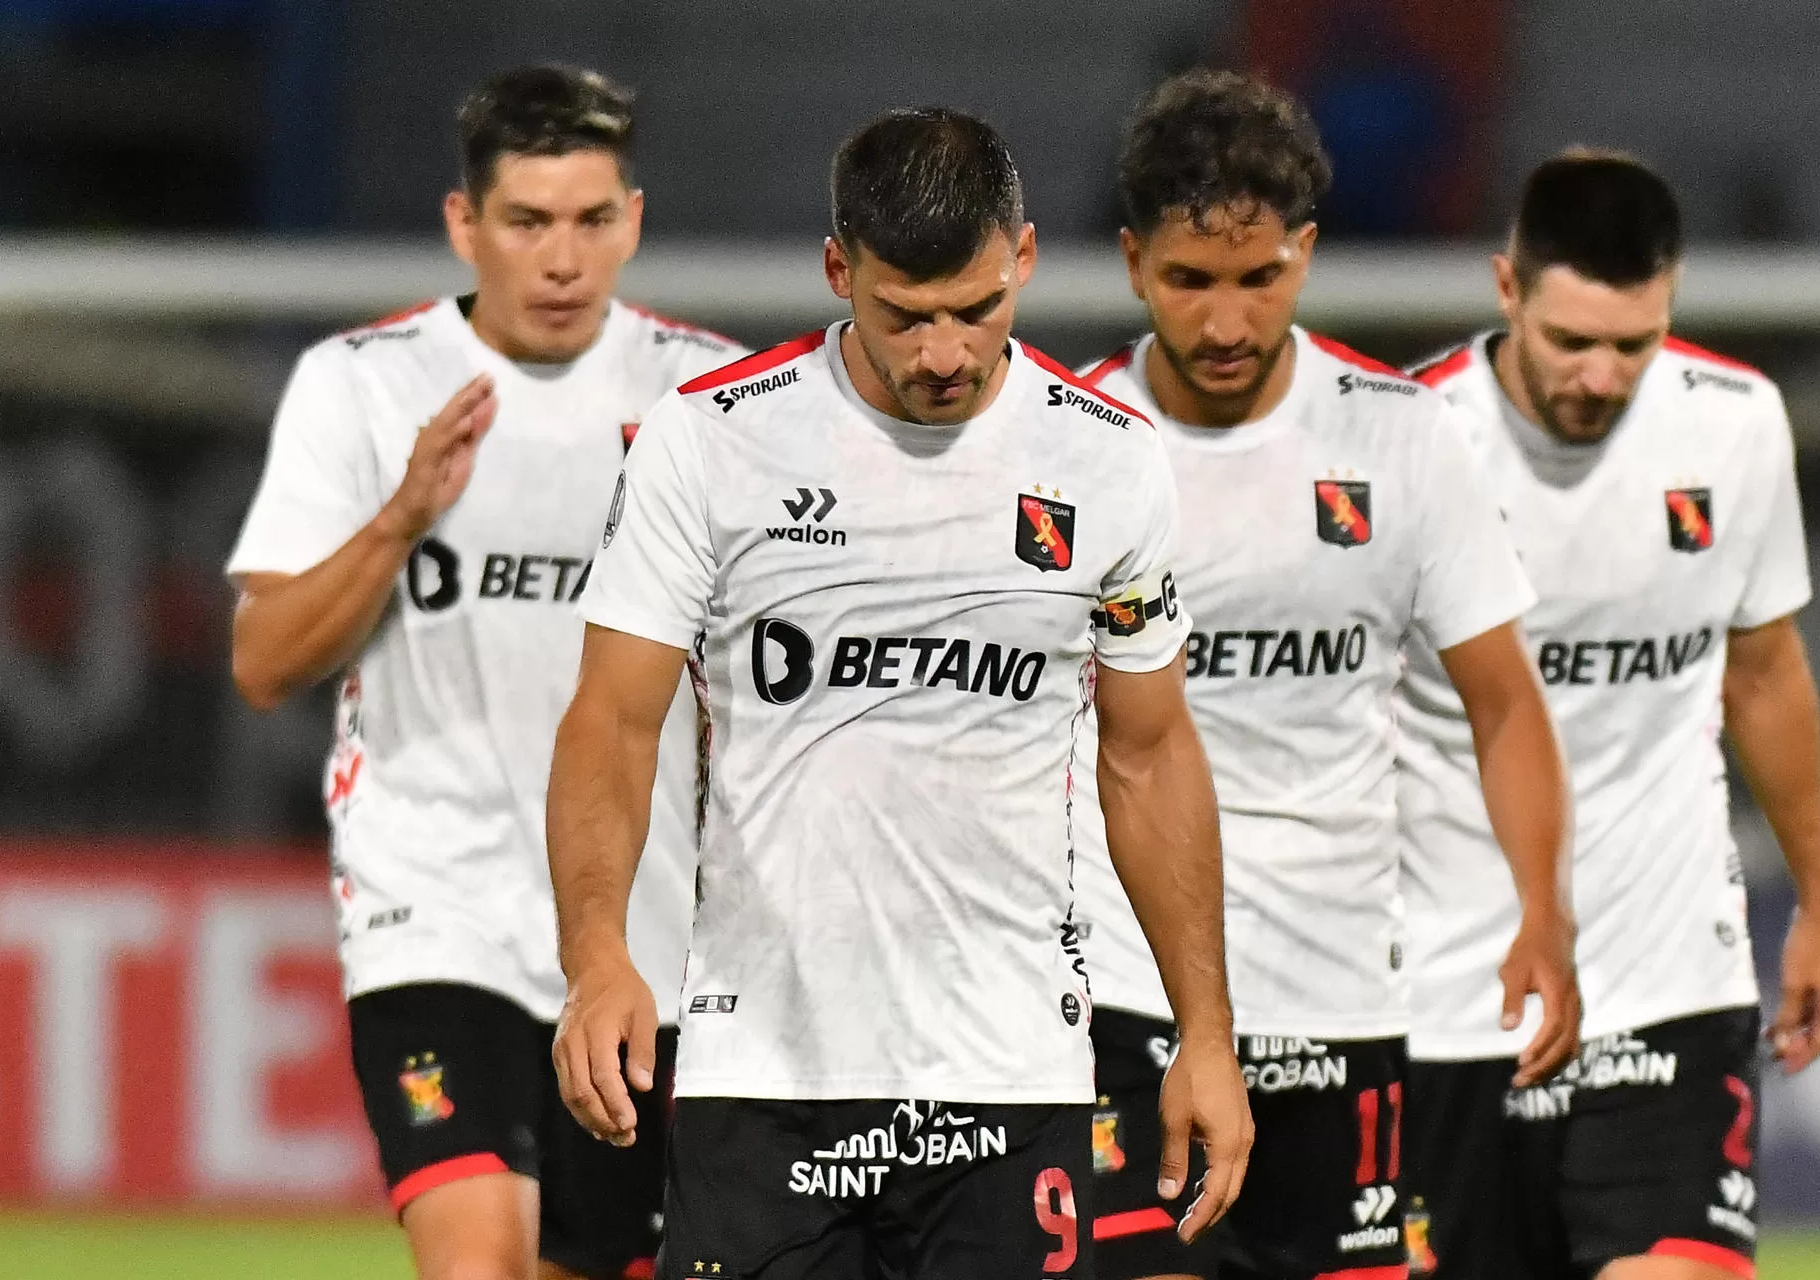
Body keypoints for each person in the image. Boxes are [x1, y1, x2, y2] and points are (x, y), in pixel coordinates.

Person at [546, 105, 1254, 1280]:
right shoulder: (712, 443)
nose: (943, 352)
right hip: (766, 1071)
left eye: (977, 309)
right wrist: (596, 952)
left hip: (1008, 1072)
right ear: (840, 272)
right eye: (905, 315)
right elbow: (613, 720)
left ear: (1024, 259)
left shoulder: (1107, 460)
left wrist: (1207, 1033)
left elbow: (1150, 753)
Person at [227, 65, 742, 1280]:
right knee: (478, 1261)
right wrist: (401, 517)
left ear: (633, 221)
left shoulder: (707, 399)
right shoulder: (362, 385)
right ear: (467, 225)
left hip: (640, 933)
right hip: (433, 904)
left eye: (589, 220)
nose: (561, 258)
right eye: (526, 222)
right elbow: (263, 661)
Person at [1067, 70, 1578, 1280]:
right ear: (1135, 262)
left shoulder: (1400, 436)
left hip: (1340, 988)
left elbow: (1503, 699)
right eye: (1192, 280)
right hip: (1119, 990)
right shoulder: (1071, 446)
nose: (1228, 321)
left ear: (1306, 251)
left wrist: (1544, 908)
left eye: (1261, 277)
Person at [1399, 150, 1820, 1280]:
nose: (1601, 376)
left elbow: (1763, 672)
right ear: (1508, 290)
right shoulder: (1402, 444)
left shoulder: (1737, 425)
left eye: (1634, 345)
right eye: (1571, 341)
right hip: (1446, 997)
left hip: (1667, 977)